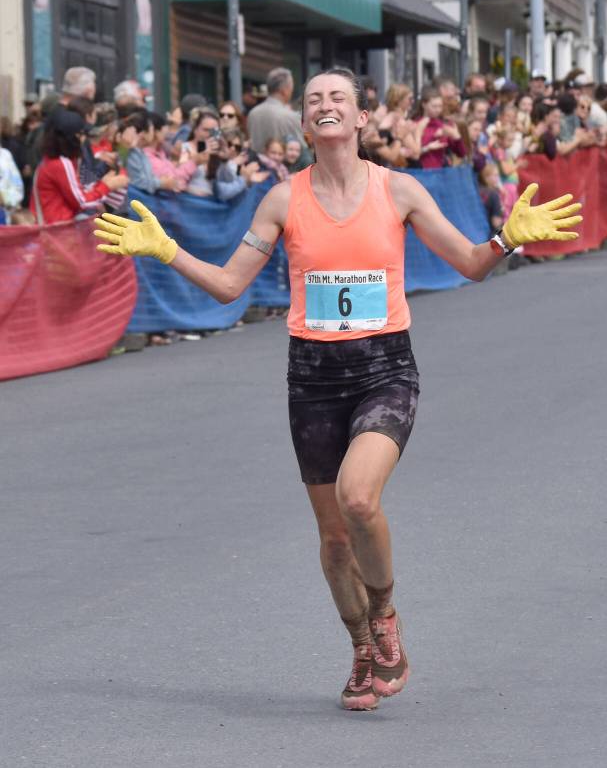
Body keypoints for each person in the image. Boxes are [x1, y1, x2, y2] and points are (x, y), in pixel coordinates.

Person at [94, 67, 582, 712]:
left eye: (338, 98)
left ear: (360, 120)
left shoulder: (399, 190)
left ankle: (385, 615)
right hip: (314, 377)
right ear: (305, 124)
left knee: (358, 499)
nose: (325, 105)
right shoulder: (280, 200)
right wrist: (165, 249)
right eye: (313, 99)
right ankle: (361, 652)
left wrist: (505, 241)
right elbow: (230, 284)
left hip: (385, 367)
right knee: (331, 539)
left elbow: (468, 262)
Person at [31, 109, 128, 224]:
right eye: (81, 134)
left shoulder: (55, 161)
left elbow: (79, 191)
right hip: (58, 231)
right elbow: (82, 201)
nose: (83, 139)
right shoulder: (61, 164)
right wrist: (106, 186)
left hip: (58, 228)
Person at [248, 67, 310, 167]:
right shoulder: (291, 117)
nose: (292, 91)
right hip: (284, 175)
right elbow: (302, 152)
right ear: (284, 90)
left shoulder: (253, 113)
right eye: (291, 87)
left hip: (256, 172)